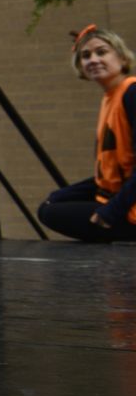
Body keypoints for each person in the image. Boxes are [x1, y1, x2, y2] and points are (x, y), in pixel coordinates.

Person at [37, 26, 136, 243]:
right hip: (117, 194)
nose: (93, 59)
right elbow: (112, 172)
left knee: (49, 213)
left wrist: (109, 212)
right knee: (52, 203)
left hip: (128, 208)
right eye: (86, 55)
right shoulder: (111, 98)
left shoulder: (132, 93)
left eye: (101, 52)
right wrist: (65, 193)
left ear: (121, 58)